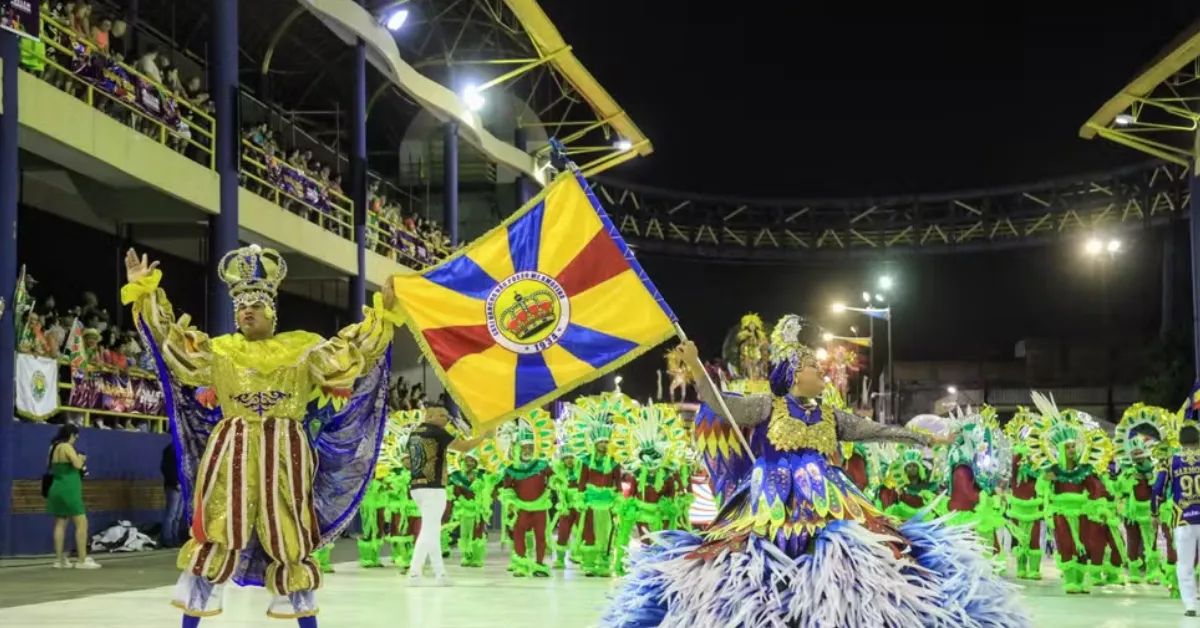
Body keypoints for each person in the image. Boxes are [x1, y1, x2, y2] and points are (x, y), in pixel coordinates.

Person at [603, 315, 1029, 628]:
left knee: (862, 549)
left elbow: (876, 430)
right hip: (769, 499)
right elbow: (719, 405)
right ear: (791, 377)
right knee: (750, 557)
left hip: (831, 497)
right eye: (812, 368)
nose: (821, 372)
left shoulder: (831, 415)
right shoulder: (766, 406)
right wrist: (696, 366)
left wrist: (924, 439)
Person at [122, 245, 402, 627]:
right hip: (230, 449)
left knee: (289, 537)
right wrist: (147, 293)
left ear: (273, 310)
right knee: (217, 531)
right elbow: (172, 346)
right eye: (240, 306)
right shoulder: (220, 350)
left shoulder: (303, 347)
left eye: (255, 304)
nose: (246, 311)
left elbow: (350, 354)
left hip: (286, 451)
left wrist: (382, 316)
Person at [405, 405, 495, 585]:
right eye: (442, 416)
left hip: (417, 486)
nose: (446, 420)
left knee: (432, 530)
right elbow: (464, 447)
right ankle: (415, 572)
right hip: (433, 487)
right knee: (429, 531)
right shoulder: (437, 432)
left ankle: (440, 573)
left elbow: (407, 461)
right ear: (430, 416)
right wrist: (483, 436)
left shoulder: (414, 434)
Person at [1153, 422, 1200, 617]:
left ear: (1180, 441)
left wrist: (1154, 513)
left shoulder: (1170, 460)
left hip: (1183, 519)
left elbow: (1158, 489)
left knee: (1185, 563)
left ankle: (1190, 605)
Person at [46, 424, 100, 569]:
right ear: (71, 434)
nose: (76, 439)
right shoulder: (66, 447)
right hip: (69, 489)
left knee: (60, 523)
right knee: (82, 523)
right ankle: (82, 560)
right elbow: (77, 465)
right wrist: (81, 458)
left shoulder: (53, 447)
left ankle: (59, 560)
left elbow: (49, 465)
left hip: (56, 487)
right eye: (76, 436)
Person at [160, 442, 183, 548]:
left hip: (182, 487)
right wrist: (175, 482)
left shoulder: (183, 450)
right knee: (171, 514)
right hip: (173, 487)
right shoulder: (171, 450)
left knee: (177, 516)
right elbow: (167, 468)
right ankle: (167, 538)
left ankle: (175, 537)